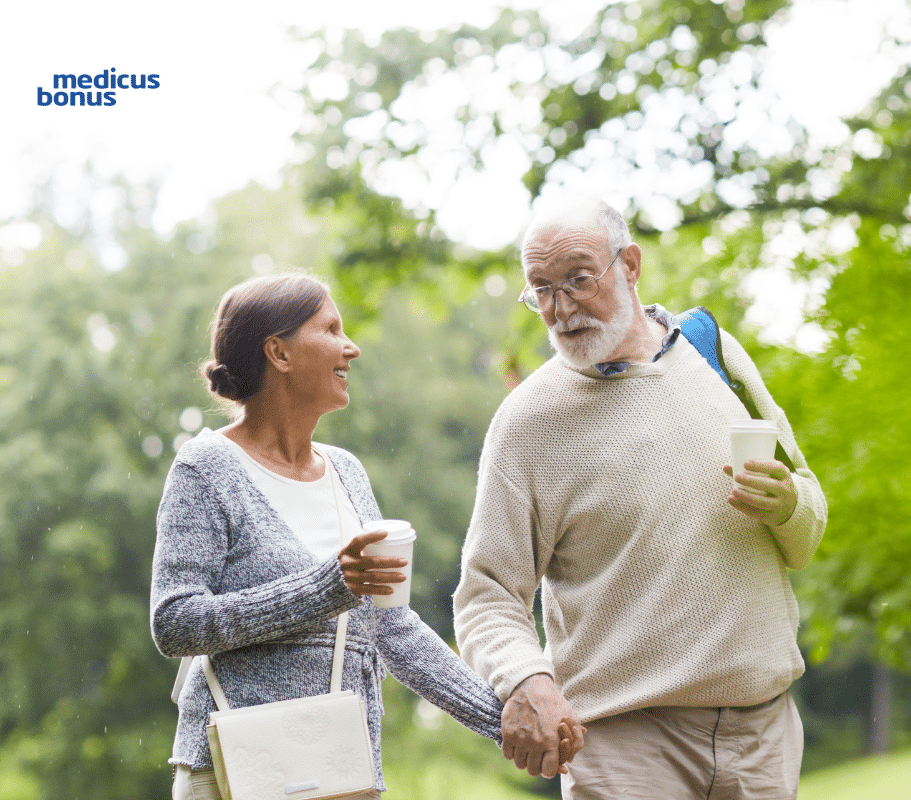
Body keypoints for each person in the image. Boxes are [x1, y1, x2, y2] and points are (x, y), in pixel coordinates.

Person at [453, 197, 829, 799]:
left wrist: (788, 506)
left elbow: (807, 527)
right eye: (541, 290)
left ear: (629, 265)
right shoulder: (528, 421)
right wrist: (527, 678)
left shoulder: (716, 353)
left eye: (577, 280)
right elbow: (486, 596)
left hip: (763, 736)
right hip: (624, 749)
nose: (560, 309)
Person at [150, 272, 510, 800]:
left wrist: (504, 721)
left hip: (342, 771)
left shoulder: (346, 472)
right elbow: (175, 622)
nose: (352, 347)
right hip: (233, 773)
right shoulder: (206, 467)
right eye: (332, 329)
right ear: (280, 352)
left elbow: (393, 631)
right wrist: (325, 588)